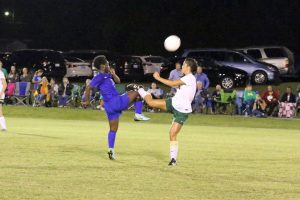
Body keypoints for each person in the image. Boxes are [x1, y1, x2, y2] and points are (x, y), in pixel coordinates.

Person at [137, 58, 197, 166]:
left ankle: (173, 159)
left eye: (183, 65)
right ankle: (139, 89)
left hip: (182, 111)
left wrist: (158, 77)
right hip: (173, 103)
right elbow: (176, 85)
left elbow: (173, 83)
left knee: (172, 133)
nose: (182, 66)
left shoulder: (190, 78)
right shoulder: (187, 78)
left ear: (188, 67)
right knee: (150, 103)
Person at [83, 56, 141, 160]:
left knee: (113, 129)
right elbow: (88, 87)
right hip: (115, 101)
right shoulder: (100, 76)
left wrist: (113, 74)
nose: (109, 65)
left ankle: (111, 151)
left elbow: (118, 81)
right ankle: (138, 114)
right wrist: (87, 100)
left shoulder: (107, 75)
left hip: (109, 106)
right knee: (138, 91)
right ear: (102, 66)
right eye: (107, 64)